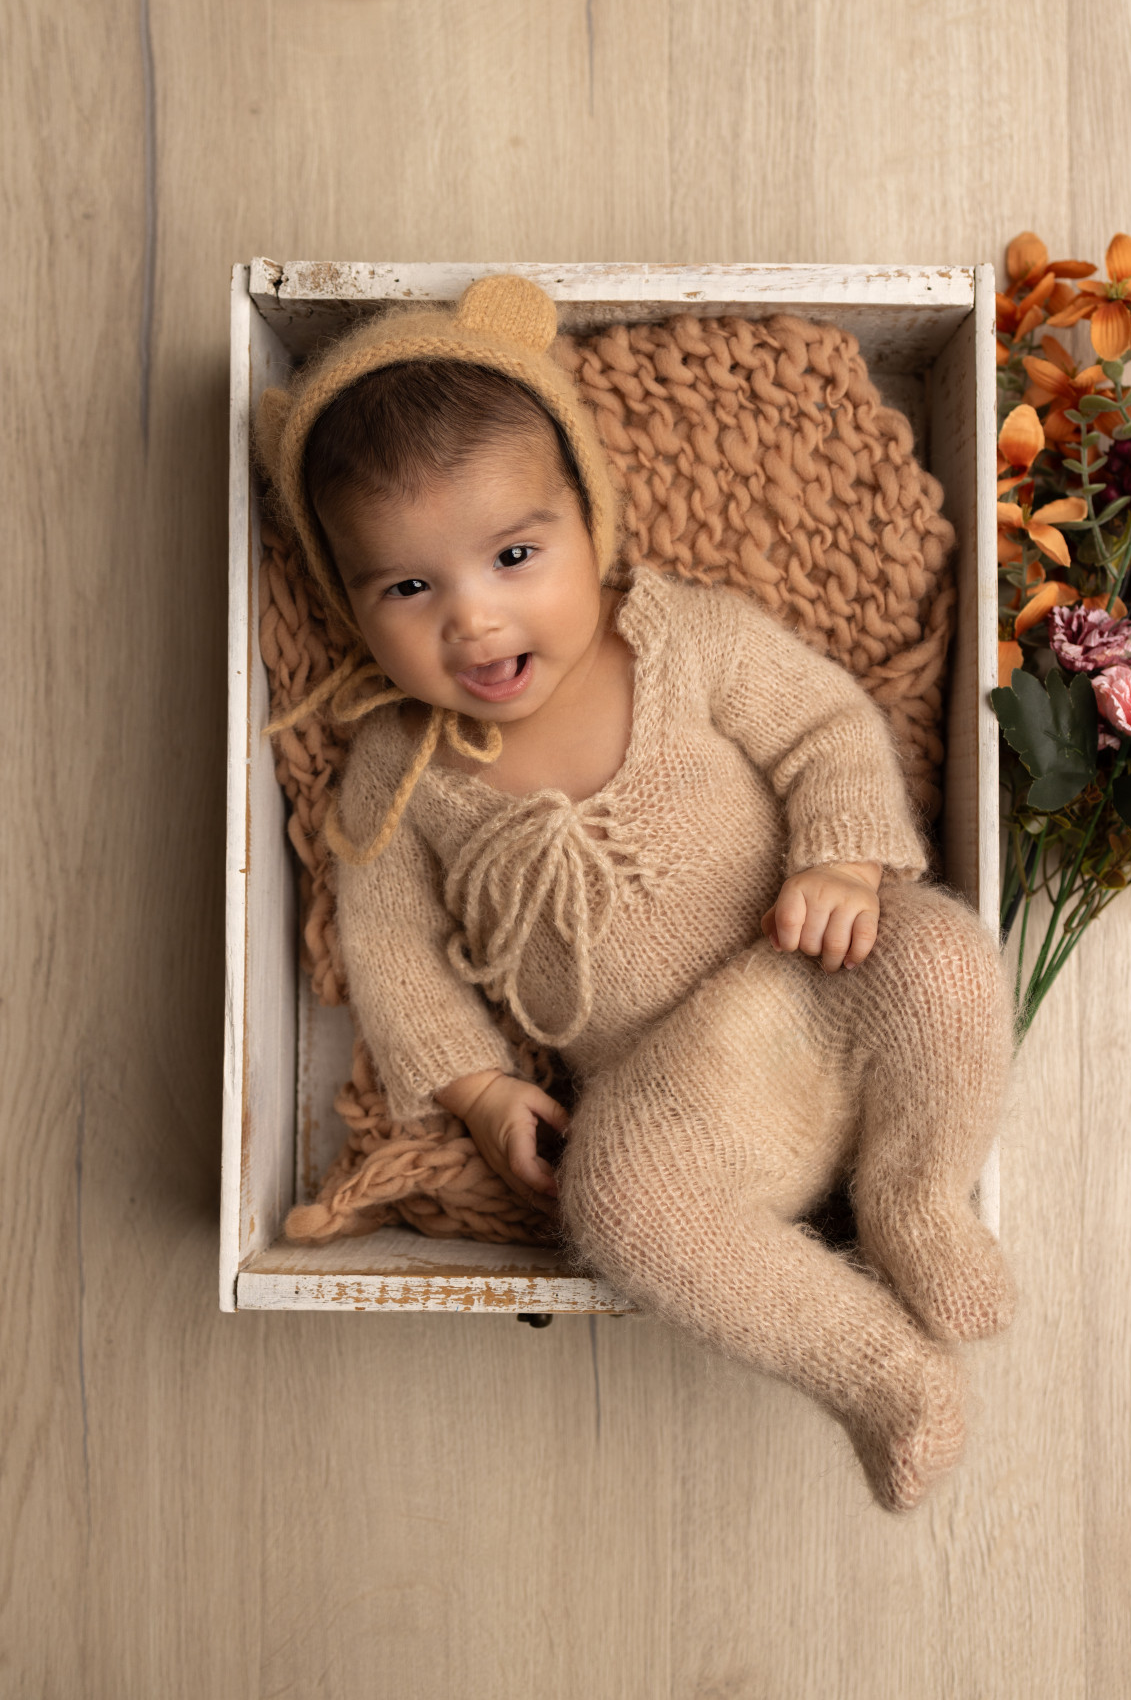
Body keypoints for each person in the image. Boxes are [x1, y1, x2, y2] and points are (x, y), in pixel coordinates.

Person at [256, 274, 1015, 1511]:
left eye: (514, 556)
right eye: (407, 588)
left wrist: (838, 861)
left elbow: (823, 727)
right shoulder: (399, 772)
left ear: (591, 524)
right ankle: (882, 1373)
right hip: (676, 1094)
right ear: (349, 605)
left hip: (815, 974)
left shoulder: (679, 637)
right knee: (613, 1203)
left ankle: (914, 1196)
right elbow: (392, 952)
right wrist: (480, 1090)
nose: (473, 619)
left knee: (940, 957)